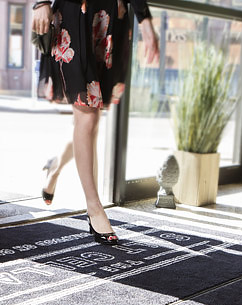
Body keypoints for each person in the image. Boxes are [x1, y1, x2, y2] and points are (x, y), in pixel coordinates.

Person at [32, 0, 159, 245]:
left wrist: (144, 17)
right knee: (87, 117)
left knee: (91, 120)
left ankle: (55, 167)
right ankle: (94, 208)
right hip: (75, 15)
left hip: (110, 19)